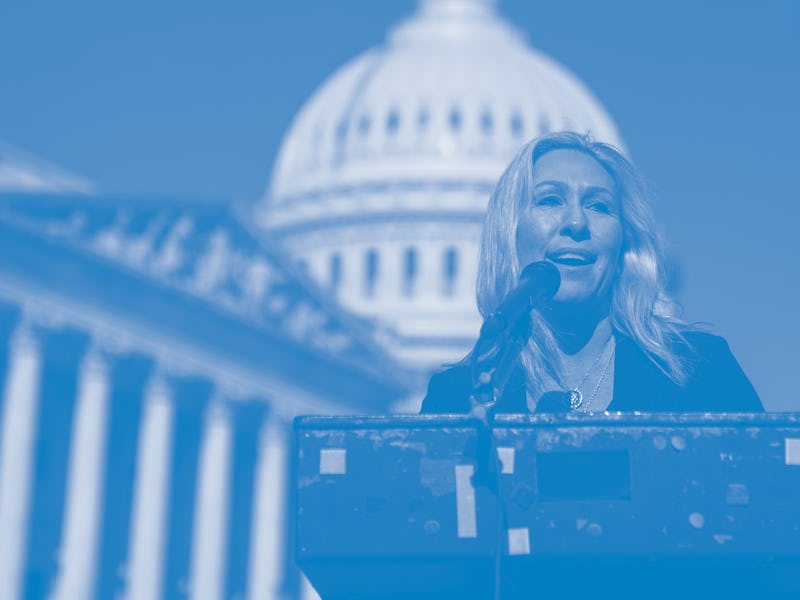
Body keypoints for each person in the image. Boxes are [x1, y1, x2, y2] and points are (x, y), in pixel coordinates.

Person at [421, 132, 762, 414]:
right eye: (550, 200)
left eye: (598, 206)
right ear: (509, 233)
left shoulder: (699, 369)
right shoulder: (456, 396)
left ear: (623, 247)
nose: (576, 223)